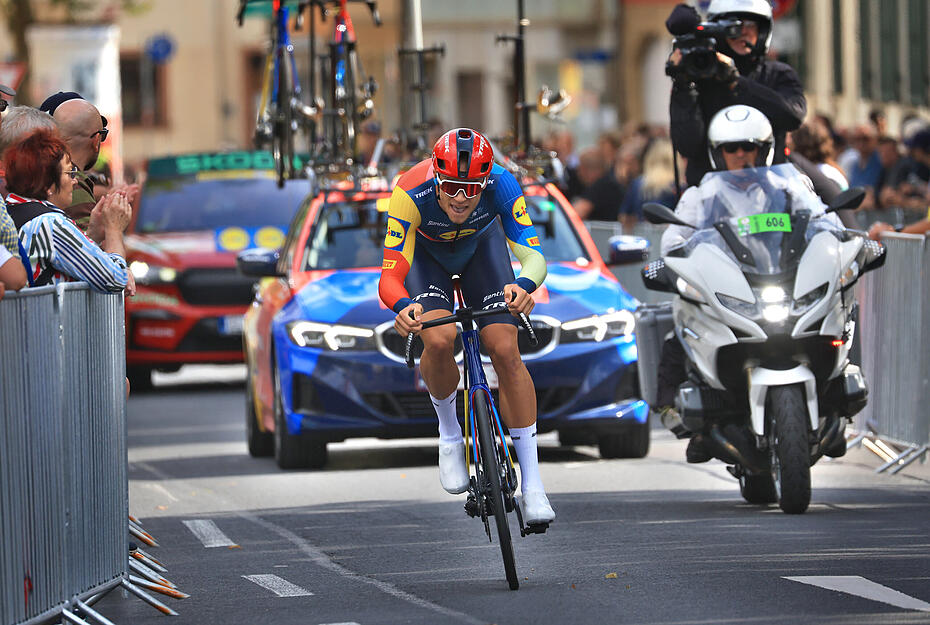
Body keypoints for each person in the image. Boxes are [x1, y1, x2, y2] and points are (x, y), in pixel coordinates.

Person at [378, 127, 554, 524]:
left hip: (482, 251)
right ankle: (450, 434)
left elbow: (533, 254)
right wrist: (404, 307)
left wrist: (525, 285)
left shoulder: (503, 183)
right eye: (453, 187)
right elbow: (389, 277)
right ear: (437, 179)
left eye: (472, 188)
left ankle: (534, 485)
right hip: (427, 259)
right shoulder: (409, 192)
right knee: (439, 339)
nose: (461, 198)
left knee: (505, 348)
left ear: (485, 180)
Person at [658, 106, 835, 462]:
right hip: (731, 292)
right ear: (717, 152)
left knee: (838, 319)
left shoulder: (790, 187)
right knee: (681, 330)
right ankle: (680, 413)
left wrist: (844, 243)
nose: (740, 154)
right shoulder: (700, 197)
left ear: (764, 149)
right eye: (731, 148)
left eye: (748, 146)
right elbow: (672, 243)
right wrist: (674, 264)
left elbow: (825, 223)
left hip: (781, 284)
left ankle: (836, 401)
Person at [667, 0, 806, 188]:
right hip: (710, 199)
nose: (743, 32)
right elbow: (687, 145)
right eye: (733, 27)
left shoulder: (778, 73)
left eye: (751, 26)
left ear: (763, 31)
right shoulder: (698, 77)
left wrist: (735, 82)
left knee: (829, 197)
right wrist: (684, 85)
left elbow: (792, 116)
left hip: (773, 192)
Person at [4, 129, 130, 293]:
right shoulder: (50, 223)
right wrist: (114, 230)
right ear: (47, 183)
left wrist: (92, 233)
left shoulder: (9, 209)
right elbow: (115, 280)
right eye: (70, 173)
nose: (75, 180)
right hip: (45, 318)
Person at [618, 138, 678, 232]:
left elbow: (625, 217)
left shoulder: (638, 183)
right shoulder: (676, 186)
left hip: (642, 237)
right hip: (668, 237)